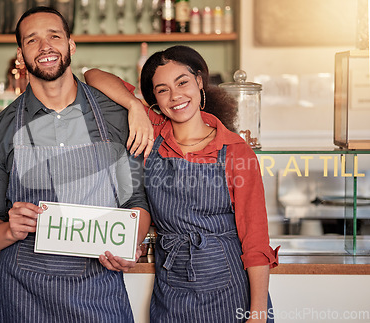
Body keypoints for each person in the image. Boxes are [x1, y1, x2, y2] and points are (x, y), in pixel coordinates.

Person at [0, 6, 152, 322]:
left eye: (54, 36)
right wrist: (9, 230)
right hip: (24, 297)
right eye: (32, 40)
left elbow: (135, 201)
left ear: (71, 45)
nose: (45, 47)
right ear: (20, 55)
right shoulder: (0, 132)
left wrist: (130, 241)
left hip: (100, 293)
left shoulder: (115, 117)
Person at [84, 45, 279, 322]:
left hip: (230, 288)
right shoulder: (152, 133)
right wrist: (133, 106)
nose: (175, 96)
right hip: (172, 290)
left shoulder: (235, 151)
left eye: (182, 82)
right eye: (162, 89)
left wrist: (258, 312)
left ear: (199, 82)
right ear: (155, 98)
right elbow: (93, 75)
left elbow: (256, 240)